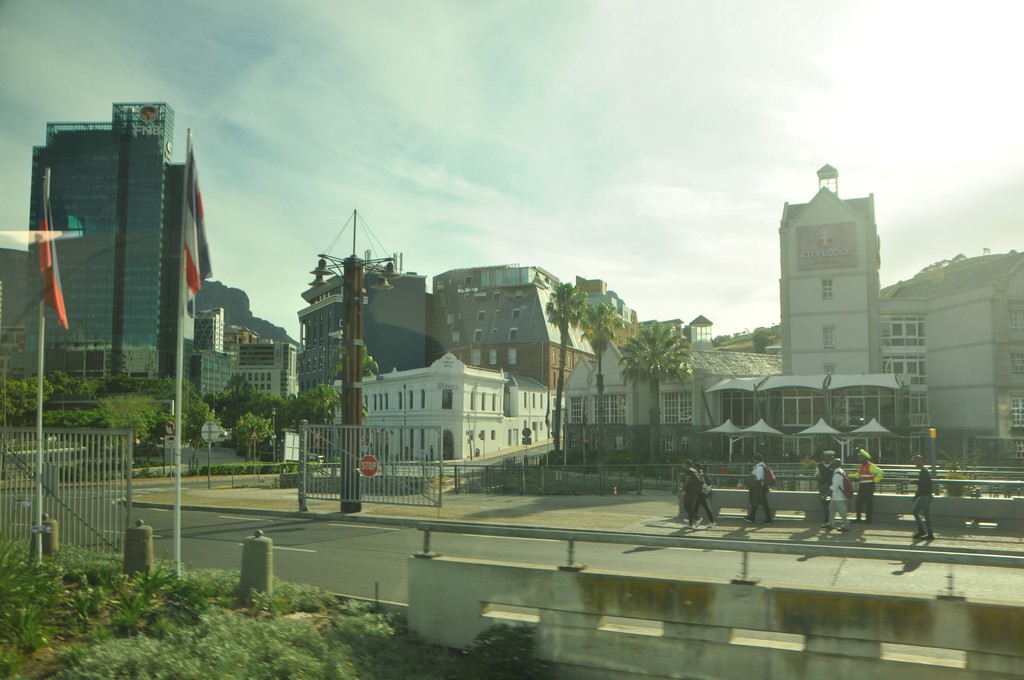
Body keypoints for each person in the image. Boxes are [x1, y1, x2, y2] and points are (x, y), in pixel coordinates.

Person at [822, 458, 851, 532]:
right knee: (831, 508)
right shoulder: (841, 471)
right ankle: (830, 524)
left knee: (842, 512)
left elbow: (834, 486)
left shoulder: (837, 473)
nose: (832, 464)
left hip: (839, 497)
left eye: (833, 463)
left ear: (835, 464)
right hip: (836, 496)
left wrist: (827, 494)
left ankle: (846, 526)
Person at [744, 454, 773, 524]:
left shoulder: (759, 467)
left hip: (759, 487)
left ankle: (768, 519)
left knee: (762, 503)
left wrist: (751, 480)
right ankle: (752, 517)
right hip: (761, 487)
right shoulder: (762, 466)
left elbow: (758, 478)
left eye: (754, 459)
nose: (753, 461)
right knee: (757, 502)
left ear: (756, 460)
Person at [911, 454, 934, 541]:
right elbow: (922, 484)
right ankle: (922, 531)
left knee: (926, 515)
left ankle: (930, 534)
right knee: (915, 511)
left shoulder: (924, 472)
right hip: (923, 496)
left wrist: (916, 495)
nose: (914, 463)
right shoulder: (923, 471)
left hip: (925, 496)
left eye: (915, 461)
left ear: (920, 461)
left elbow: (922, 486)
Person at [679, 460, 704, 528]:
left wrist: (681, 491)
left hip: (690, 491)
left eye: (684, 465)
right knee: (690, 507)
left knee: (686, 507)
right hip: (695, 491)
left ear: (687, 465)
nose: (684, 466)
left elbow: (686, 482)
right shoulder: (694, 471)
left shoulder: (689, 472)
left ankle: (698, 518)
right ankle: (690, 524)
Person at [693, 462, 716, 528]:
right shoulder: (700, 473)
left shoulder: (700, 474)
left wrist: (707, 492)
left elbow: (706, 483)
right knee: (704, 508)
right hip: (703, 493)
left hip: (702, 493)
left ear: (697, 468)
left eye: (694, 467)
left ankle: (692, 521)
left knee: (696, 508)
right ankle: (712, 522)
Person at [817, 451, 836, 523]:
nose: (830, 458)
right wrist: (819, 476)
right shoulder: (819, 465)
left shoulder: (833, 466)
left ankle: (830, 517)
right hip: (823, 486)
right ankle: (826, 516)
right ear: (825, 457)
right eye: (829, 457)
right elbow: (817, 474)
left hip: (830, 486)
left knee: (831, 502)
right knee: (824, 502)